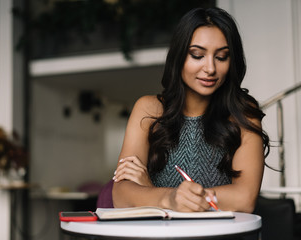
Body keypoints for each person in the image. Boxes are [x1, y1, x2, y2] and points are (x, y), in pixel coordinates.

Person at [112, 7, 270, 213]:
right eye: (197, 55)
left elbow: (244, 199)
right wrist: (171, 198)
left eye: (221, 57)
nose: (210, 68)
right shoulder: (148, 109)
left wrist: (153, 192)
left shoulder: (242, 112)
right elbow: (121, 196)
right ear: (179, 57)